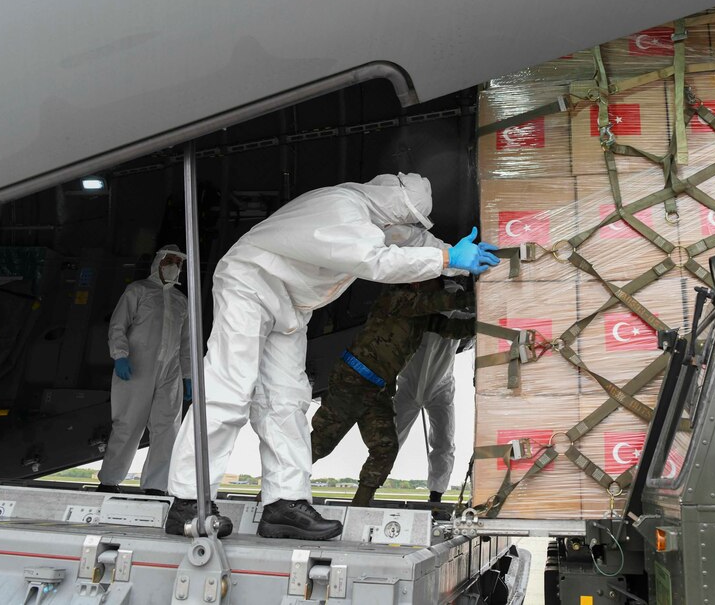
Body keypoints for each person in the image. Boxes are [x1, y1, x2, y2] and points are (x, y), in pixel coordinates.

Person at [165, 173, 499, 540]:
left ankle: (284, 504)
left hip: (290, 304)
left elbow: (413, 240)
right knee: (229, 387)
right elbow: (377, 262)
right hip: (251, 282)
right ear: (392, 203)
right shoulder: (342, 209)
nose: (399, 227)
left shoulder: (377, 217)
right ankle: (188, 500)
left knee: (288, 400)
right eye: (402, 219)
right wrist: (448, 258)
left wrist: (460, 258)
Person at [311, 279, 474, 507]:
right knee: (321, 442)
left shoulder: (423, 316)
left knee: (385, 447)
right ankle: (280, 491)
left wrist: (490, 317)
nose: (437, 289)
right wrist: (475, 297)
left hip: (377, 388)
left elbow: (454, 328)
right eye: (433, 285)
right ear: (418, 285)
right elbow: (440, 301)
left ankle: (360, 505)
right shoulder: (399, 297)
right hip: (352, 381)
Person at [99, 245, 191, 496]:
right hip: (136, 366)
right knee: (128, 424)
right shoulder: (138, 290)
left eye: (178, 262)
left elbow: (186, 342)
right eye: (169, 260)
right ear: (158, 262)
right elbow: (118, 326)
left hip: (170, 372)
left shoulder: (181, 300)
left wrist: (188, 375)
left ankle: (156, 486)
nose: (174, 265)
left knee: (167, 429)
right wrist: (120, 356)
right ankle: (109, 480)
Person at [392, 296, 472, 503]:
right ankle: (371, 484)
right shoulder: (419, 310)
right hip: (409, 385)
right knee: (390, 440)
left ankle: (436, 495)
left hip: (440, 387)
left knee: (444, 442)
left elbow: (472, 334)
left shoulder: (460, 316)